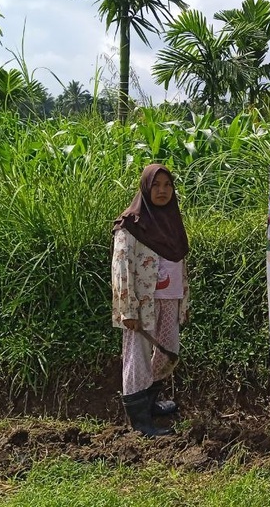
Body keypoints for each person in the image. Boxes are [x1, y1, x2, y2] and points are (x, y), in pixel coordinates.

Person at [111, 164, 189, 437]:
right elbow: (121, 269)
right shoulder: (130, 224)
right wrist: (126, 309)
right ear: (145, 188)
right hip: (141, 303)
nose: (162, 191)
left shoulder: (172, 220)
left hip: (170, 298)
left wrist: (184, 301)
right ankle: (140, 419)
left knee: (169, 352)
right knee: (138, 356)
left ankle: (150, 400)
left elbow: (180, 264)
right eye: (156, 185)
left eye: (167, 185)